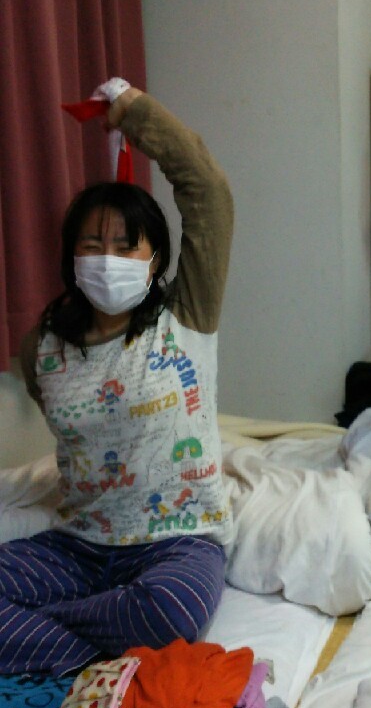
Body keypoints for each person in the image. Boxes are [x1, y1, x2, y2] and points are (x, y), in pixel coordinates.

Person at [0, 82, 234, 677]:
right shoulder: (42, 347)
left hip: (178, 544)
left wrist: (135, 113)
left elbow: (208, 192)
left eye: (127, 247)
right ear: (71, 257)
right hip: (79, 548)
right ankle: (107, 645)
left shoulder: (186, 314)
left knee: (173, 612)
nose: (108, 258)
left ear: (155, 261)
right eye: (93, 244)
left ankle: (60, 638)